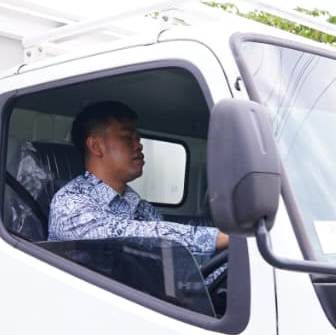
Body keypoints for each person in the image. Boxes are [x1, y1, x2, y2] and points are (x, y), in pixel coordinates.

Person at [48, 100, 229, 258]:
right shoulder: (70, 204)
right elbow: (127, 236)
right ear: (96, 146)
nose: (138, 145)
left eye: (138, 138)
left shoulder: (138, 205)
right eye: (128, 138)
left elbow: (168, 258)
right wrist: (217, 238)